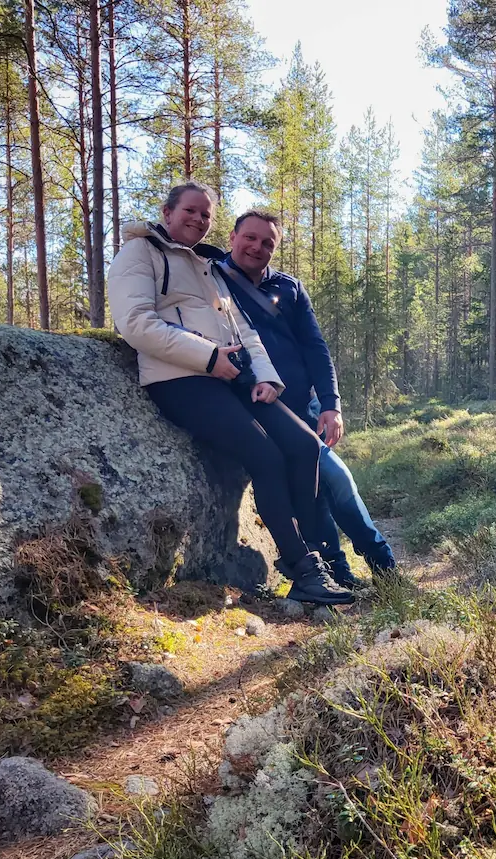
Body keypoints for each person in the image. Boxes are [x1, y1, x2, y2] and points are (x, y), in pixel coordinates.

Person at [107, 180, 354, 606]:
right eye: (190, 211)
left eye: (206, 214)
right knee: (265, 455)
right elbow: (136, 325)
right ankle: (303, 569)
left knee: (303, 446)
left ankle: (313, 554)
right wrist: (207, 358)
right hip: (180, 380)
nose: (198, 219)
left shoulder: (206, 265)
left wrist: (265, 378)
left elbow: (243, 329)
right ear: (167, 213)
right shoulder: (138, 253)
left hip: (232, 376)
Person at [215, 209, 396, 589]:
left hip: (306, 404)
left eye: (268, 242)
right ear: (232, 237)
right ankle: (361, 568)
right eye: (250, 237)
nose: (257, 247)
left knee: (331, 485)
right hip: (260, 404)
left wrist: (331, 404)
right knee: (334, 479)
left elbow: (315, 347)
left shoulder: (290, 288)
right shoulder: (211, 279)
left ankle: (373, 567)